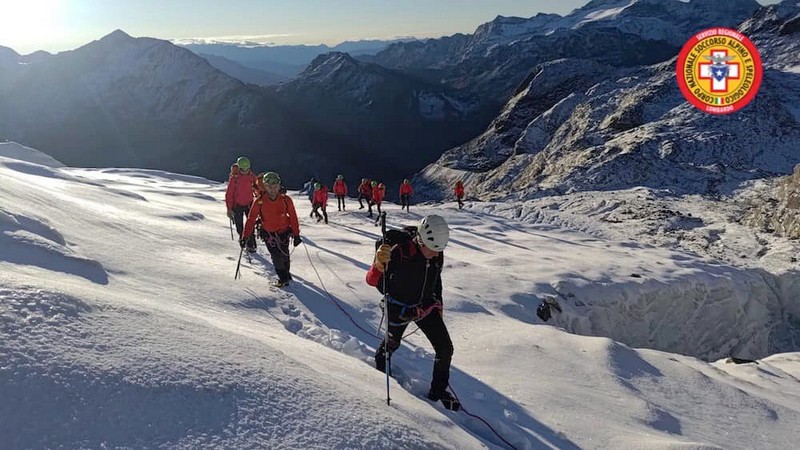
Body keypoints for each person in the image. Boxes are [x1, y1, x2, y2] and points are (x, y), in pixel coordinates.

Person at [365, 215, 459, 411]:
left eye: (439, 250)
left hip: (424, 306)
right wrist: (378, 264)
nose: (436, 255)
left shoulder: (436, 253)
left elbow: (436, 283)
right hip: (398, 307)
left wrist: (438, 306)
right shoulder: (399, 252)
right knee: (392, 343)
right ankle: (380, 367)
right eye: (432, 250)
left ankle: (438, 391)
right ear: (421, 241)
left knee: (445, 348)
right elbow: (372, 281)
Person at [241, 172, 302, 287]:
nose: (273, 190)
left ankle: (286, 274)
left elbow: (293, 217)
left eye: (275, 187)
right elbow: (251, 219)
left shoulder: (286, 200)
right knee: (276, 256)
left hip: (283, 232)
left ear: (279, 186)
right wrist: (245, 236)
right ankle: (283, 278)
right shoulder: (259, 201)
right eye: (269, 187)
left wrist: (296, 234)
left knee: (285, 254)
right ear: (264, 186)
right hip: (269, 234)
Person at [225, 156, 257, 252]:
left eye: (246, 169)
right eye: (243, 169)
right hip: (237, 205)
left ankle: (250, 243)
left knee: (250, 224)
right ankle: (244, 239)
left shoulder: (251, 176)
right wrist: (229, 209)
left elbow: (257, 187)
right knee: (240, 226)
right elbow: (229, 194)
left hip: (248, 204)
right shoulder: (234, 179)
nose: (245, 171)